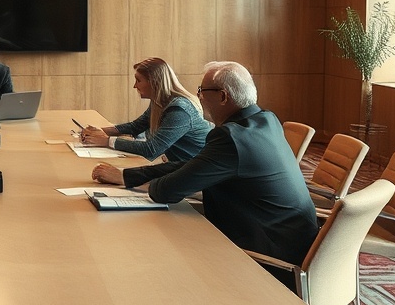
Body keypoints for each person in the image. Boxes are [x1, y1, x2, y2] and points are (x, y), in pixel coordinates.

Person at [91, 61, 318, 271]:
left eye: (201, 91)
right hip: (293, 240)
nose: (198, 97)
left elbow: (166, 191)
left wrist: (138, 181)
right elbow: (195, 165)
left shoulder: (231, 137)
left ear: (222, 96)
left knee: (158, 248)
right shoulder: (265, 120)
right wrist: (128, 176)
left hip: (271, 257)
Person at [79, 58, 210, 163]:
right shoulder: (159, 102)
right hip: (177, 167)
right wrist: (98, 131)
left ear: (154, 82)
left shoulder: (179, 110)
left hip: (195, 176)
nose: (134, 85)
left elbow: (151, 149)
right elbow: (136, 126)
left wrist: (106, 140)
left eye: (138, 80)